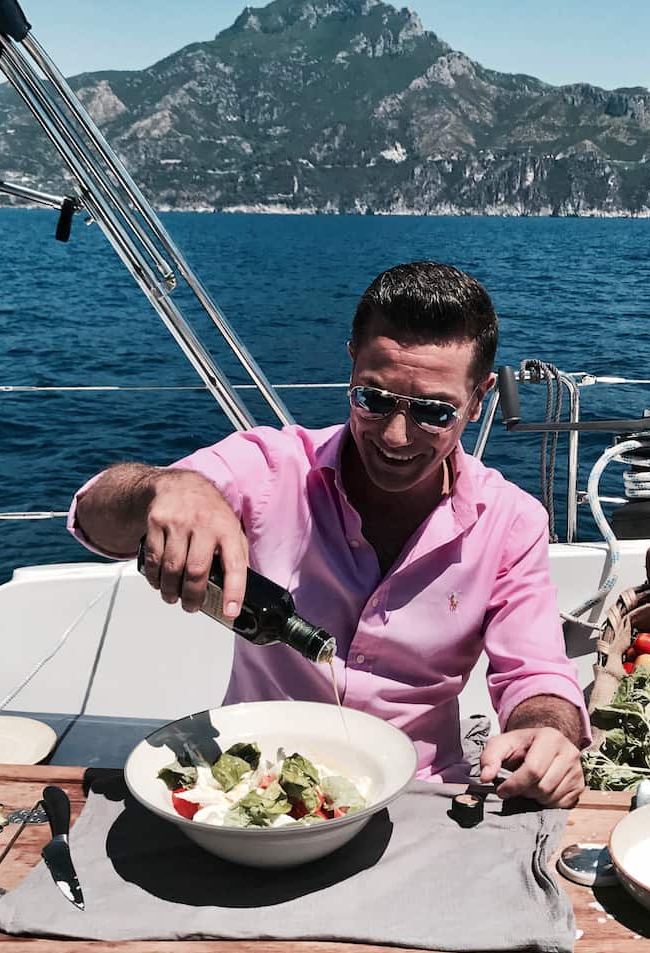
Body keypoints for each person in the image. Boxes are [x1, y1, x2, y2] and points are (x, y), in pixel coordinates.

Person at [69, 261, 590, 809]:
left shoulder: (511, 521)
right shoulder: (268, 469)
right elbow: (92, 517)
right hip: (252, 789)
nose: (394, 436)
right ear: (351, 365)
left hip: (420, 793)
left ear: (479, 398)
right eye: (374, 398)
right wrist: (163, 489)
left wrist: (547, 732)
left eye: (435, 413)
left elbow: (535, 673)